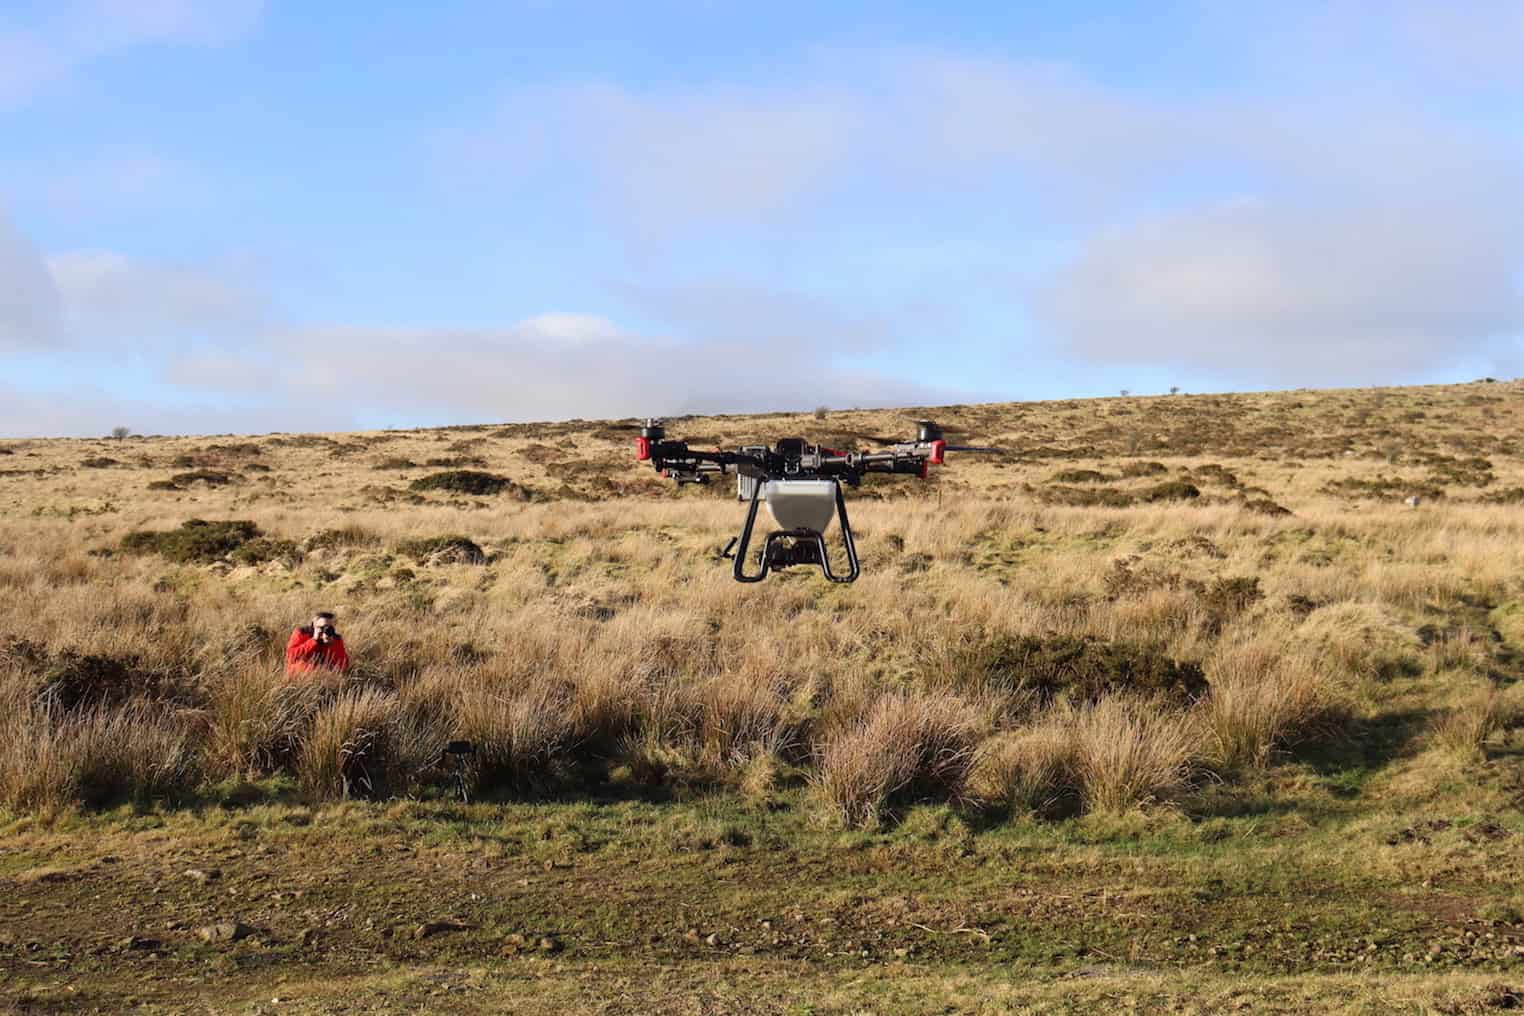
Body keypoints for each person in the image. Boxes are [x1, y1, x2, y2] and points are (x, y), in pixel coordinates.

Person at [285, 611, 350, 677]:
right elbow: (290, 656)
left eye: (330, 628)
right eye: (322, 627)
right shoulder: (302, 633)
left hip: (325, 677)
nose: (326, 630)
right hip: (300, 675)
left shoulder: (336, 639)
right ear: (314, 625)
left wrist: (330, 645)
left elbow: (343, 665)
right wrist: (313, 641)